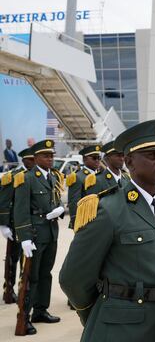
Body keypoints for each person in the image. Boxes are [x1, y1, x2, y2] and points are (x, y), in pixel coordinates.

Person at [59, 120, 155, 341]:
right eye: (153, 155)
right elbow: (73, 278)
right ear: (129, 161)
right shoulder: (108, 209)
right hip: (122, 329)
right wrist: (99, 312)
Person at [14, 140, 65, 334]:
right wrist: (24, 237)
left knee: (45, 274)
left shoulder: (53, 177)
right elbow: (20, 211)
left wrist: (59, 209)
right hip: (35, 234)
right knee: (31, 276)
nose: (50, 159)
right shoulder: (26, 178)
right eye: (46, 156)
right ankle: (24, 316)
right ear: (35, 159)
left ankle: (40, 310)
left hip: (51, 233)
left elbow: (55, 199)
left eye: (52, 155)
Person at [0, 148, 35, 303]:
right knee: (13, 258)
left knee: (26, 260)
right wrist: (3, 225)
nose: (34, 163)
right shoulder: (14, 176)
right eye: (31, 160)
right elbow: (4, 201)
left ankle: (24, 289)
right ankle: (9, 288)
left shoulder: (35, 176)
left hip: (32, 224)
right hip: (15, 225)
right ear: (24, 160)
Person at [66, 145, 102, 229]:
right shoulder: (78, 177)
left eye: (99, 158)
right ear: (85, 159)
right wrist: (76, 224)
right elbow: (74, 203)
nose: (97, 160)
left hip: (100, 219)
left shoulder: (101, 175)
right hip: (85, 222)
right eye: (94, 158)